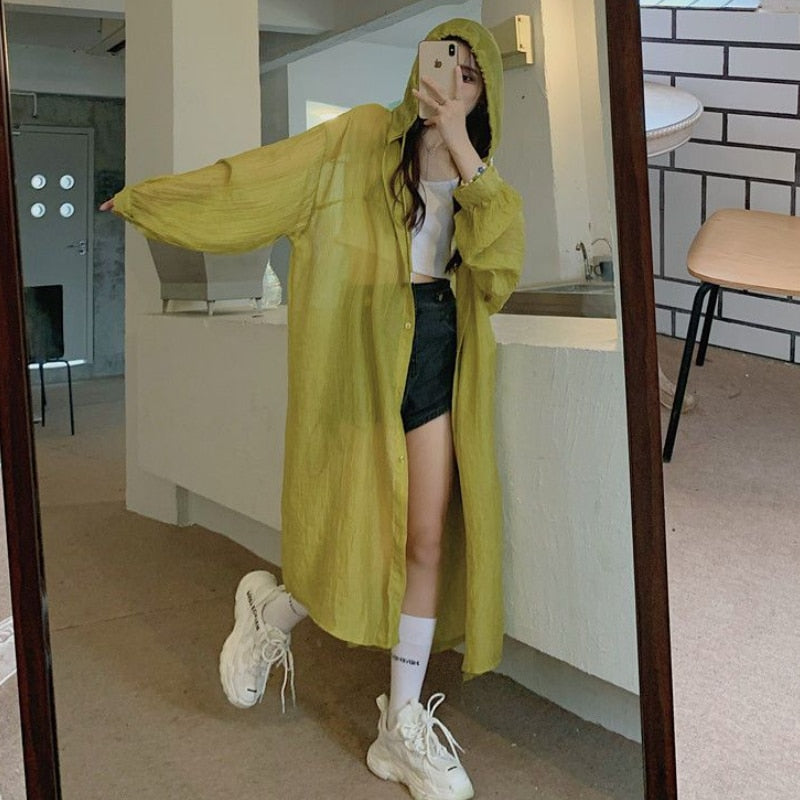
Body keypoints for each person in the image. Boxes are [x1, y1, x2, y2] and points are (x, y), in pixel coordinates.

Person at [104, 18, 524, 800]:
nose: (452, 80)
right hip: (361, 350)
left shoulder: (479, 178)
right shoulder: (360, 138)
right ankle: (271, 611)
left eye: (470, 74)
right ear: (417, 69)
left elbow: (502, 269)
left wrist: (461, 145)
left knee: (426, 540)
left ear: (484, 93)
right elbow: (258, 179)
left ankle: (400, 725)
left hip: (435, 347)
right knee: (348, 522)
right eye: (443, 62)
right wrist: (155, 201)